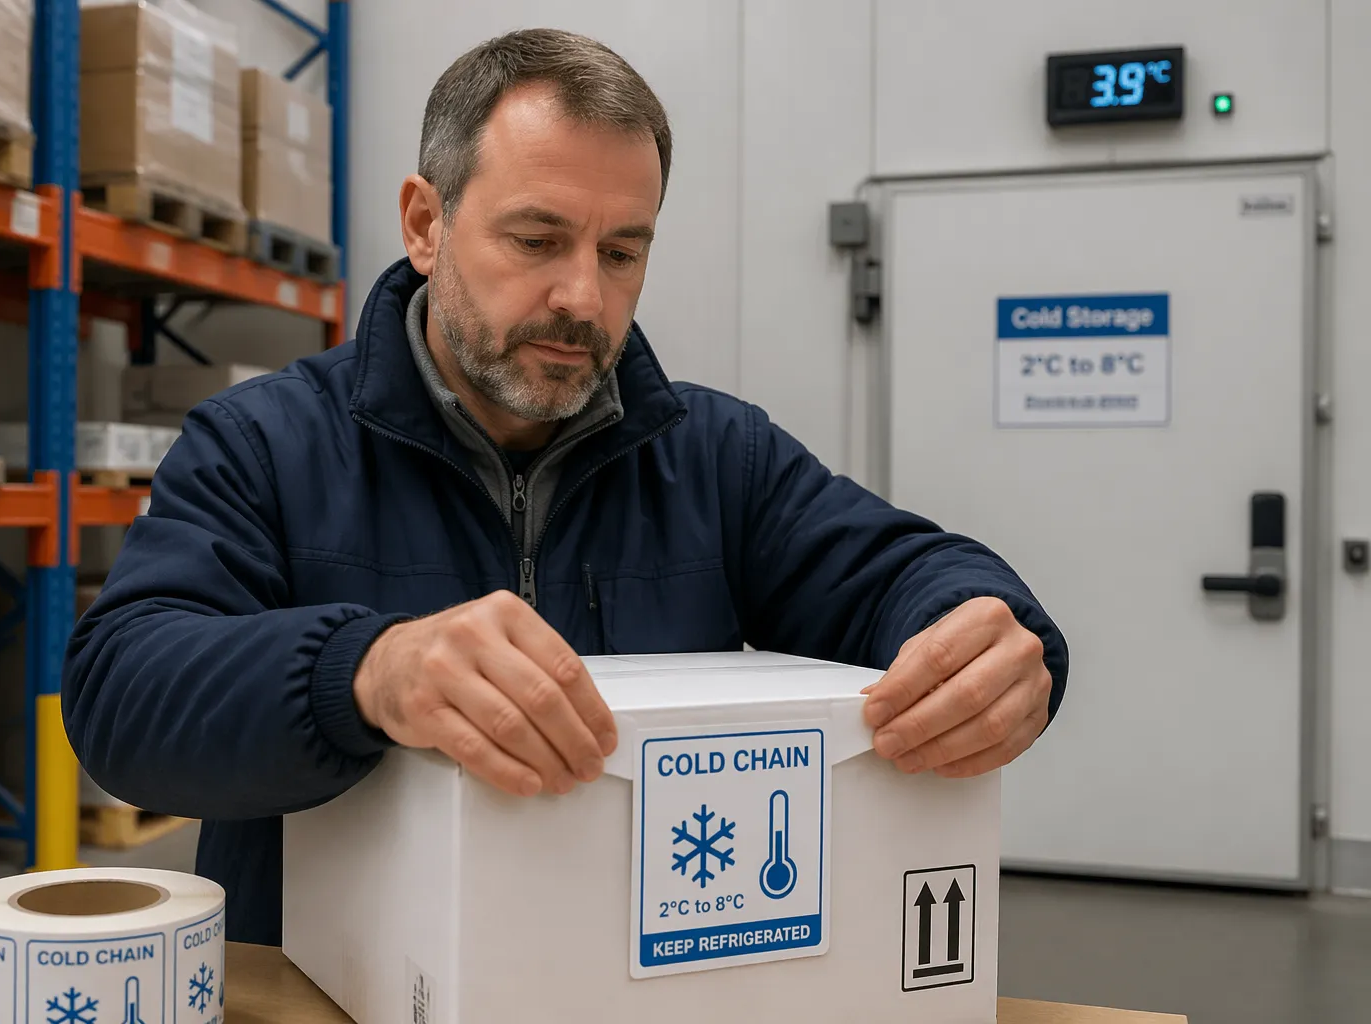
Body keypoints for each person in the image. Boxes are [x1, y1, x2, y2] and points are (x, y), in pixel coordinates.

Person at [63, 28, 1069, 945]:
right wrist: (364, 670)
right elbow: (121, 697)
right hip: (339, 984)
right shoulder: (267, 444)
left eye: (622, 251)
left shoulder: (718, 456)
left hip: (624, 981)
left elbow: (902, 572)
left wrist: (991, 628)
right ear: (426, 222)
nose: (584, 297)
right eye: (537, 241)